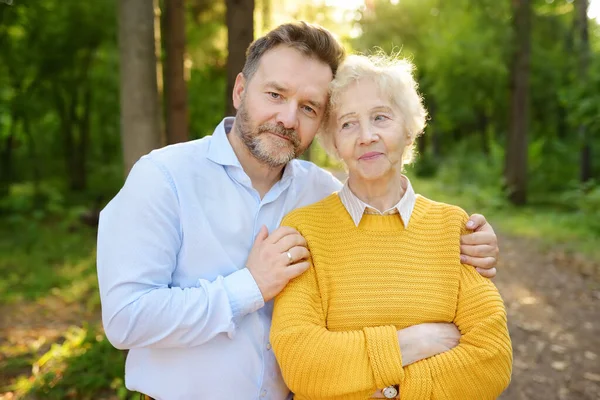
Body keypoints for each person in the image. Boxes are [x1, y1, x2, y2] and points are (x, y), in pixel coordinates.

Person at [97, 22, 501, 400]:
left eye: (309, 107)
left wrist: (473, 240)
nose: (288, 118)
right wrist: (250, 287)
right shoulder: (165, 177)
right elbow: (126, 318)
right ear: (240, 91)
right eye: (275, 95)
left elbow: (390, 213)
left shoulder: (320, 192)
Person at [270, 53, 513, 400]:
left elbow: (492, 359)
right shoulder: (305, 231)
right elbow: (301, 362)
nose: (366, 136)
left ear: (409, 128)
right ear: (335, 143)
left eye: (380, 118)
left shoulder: (454, 228)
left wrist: (386, 389)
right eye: (348, 124)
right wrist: (416, 342)